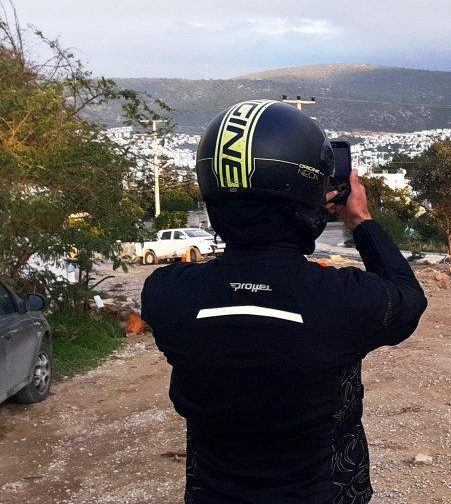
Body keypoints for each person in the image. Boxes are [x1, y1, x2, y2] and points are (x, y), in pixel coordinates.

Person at [142, 99, 427, 503]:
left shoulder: (166, 295)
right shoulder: (340, 301)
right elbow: (408, 298)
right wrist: (361, 221)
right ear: (311, 197)